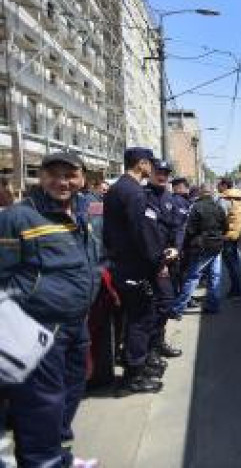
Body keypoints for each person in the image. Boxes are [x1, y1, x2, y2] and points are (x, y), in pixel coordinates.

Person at [0, 152, 101, 467]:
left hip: (76, 321)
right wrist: (29, 312)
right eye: (53, 174)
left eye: (70, 174)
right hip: (39, 328)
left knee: (71, 391)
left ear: (82, 177)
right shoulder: (17, 216)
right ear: (40, 177)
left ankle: (59, 455)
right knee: (41, 404)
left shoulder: (83, 210)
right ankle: (42, 460)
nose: (62, 181)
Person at [103, 147, 168, 394]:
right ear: (141, 164)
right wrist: (159, 261)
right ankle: (133, 378)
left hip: (123, 264)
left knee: (136, 319)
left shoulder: (119, 188)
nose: (152, 167)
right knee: (140, 320)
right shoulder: (133, 192)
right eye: (150, 163)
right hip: (135, 268)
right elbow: (142, 234)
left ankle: (137, 367)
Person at [143, 160, 183, 374]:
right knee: (159, 304)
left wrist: (176, 247)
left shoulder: (170, 198)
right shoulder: (142, 196)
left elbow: (177, 226)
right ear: (150, 172)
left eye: (165, 173)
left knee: (167, 303)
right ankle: (150, 351)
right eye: (159, 172)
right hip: (153, 262)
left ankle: (158, 342)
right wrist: (160, 260)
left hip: (170, 259)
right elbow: (146, 232)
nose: (162, 176)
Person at [171, 185, 227, 315]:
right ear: (211, 193)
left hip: (201, 247)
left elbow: (190, 230)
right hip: (217, 246)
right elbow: (225, 227)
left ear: (201, 193)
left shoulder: (196, 207)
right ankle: (213, 306)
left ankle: (177, 309)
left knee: (193, 277)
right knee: (215, 276)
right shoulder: (218, 207)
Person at [221, 188, 241, 299]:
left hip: (228, 236)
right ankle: (236, 289)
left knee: (231, 264)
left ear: (224, 186)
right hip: (236, 235)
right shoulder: (240, 200)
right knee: (234, 263)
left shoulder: (227, 201)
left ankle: (236, 291)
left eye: (219, 186)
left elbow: (222, 218)